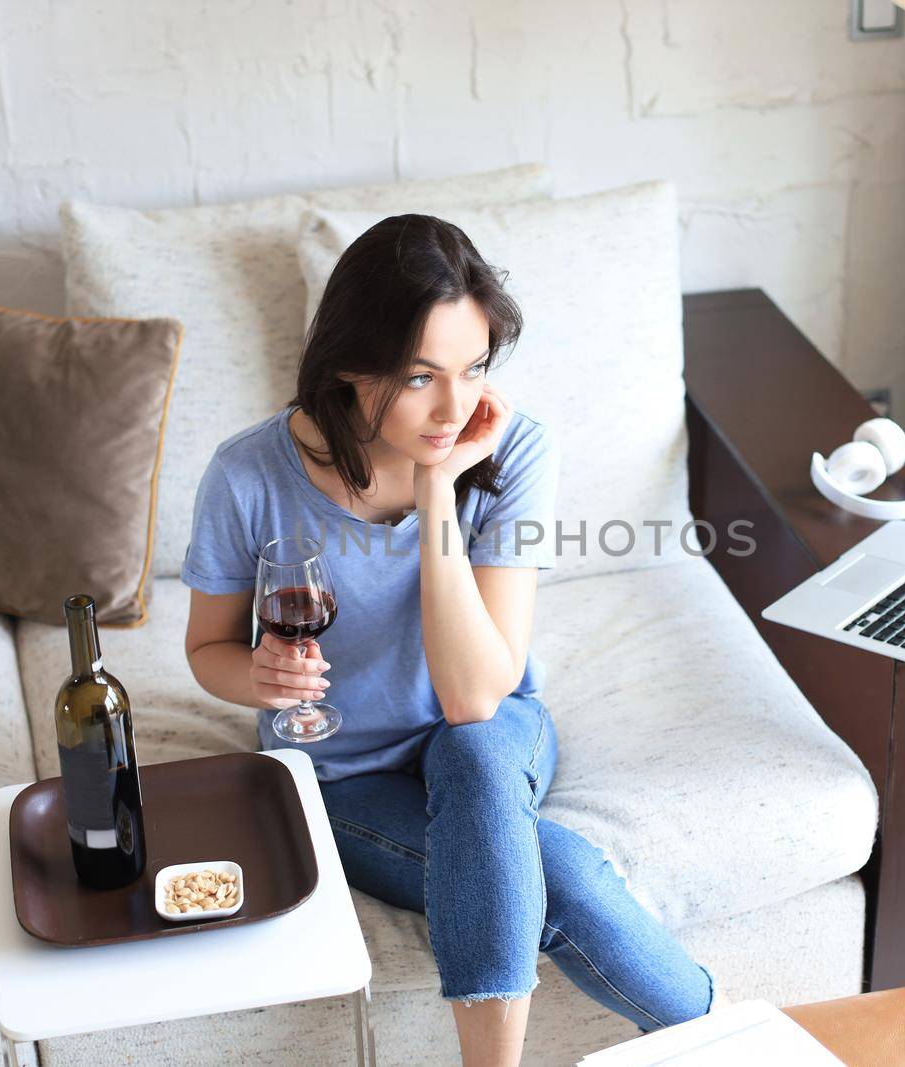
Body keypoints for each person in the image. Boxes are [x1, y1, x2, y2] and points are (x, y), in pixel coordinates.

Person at [181, 214, 718, 1066]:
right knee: (563, 878)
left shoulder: (513, 450)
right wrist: (260, 678)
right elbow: (207, 648)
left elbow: (476, 697)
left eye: (472, 369)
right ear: (352, 367)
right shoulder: (247, 475)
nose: (453, 405)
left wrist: (438, 491)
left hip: (495, 725)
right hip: (341, 772)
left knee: (469, 753)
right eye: (420, 376)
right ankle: (738, 1045)